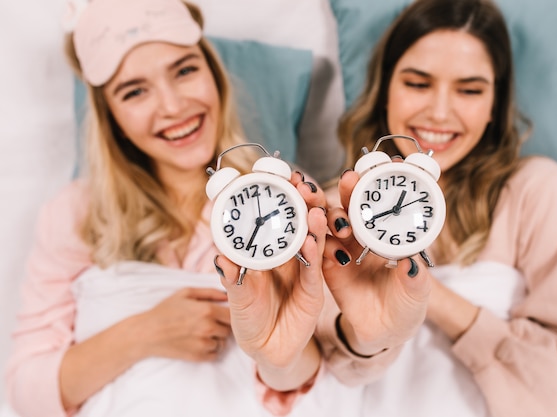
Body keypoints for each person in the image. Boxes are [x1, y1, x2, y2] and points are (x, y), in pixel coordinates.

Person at [3, 0, 334, 416]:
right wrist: (145, 332)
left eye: (184, 70)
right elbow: (25, 391)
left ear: (214, 75)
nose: (174, 106)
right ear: (111, 118)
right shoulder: (73, 214)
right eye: (135, 90)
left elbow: (316, 378)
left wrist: (276, 351)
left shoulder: (283, 197)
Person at [319, 0, 557, 415]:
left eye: (469, 89)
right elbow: (313, 381)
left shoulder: (533, 192)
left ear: (493, 108)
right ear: (385, 92)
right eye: (418, 83)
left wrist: (430, 297)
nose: (440, 112)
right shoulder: (337, 208)